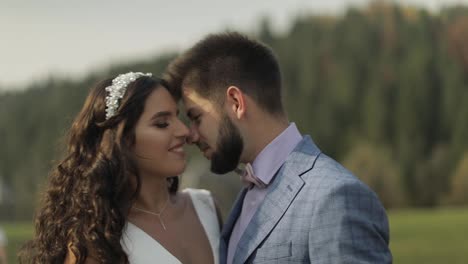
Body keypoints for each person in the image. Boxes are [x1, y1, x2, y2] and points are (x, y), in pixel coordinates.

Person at [164, 32, 392, 264]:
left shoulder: (335, 197)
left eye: (196, 117)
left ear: (236, 102)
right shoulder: (243, 198)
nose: (190, 135)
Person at [19, 72, 221, 264]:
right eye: (162, 123)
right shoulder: (95, 239)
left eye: (178, 117)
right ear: (121, 140)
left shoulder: (205, 206)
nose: (184, 131)